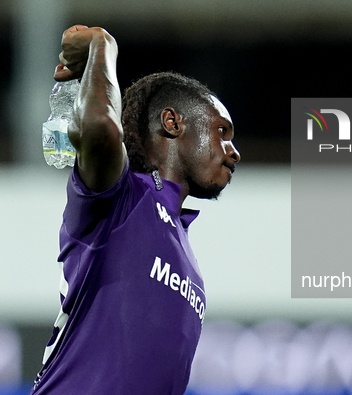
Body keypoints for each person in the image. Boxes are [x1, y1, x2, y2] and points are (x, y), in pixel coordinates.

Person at [30, 25, 241, 395]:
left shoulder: (180, 239)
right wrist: (102, 45)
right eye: (222, 131)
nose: (233, 151)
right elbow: (100, 129)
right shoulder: (122, 198)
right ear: (172, 123)